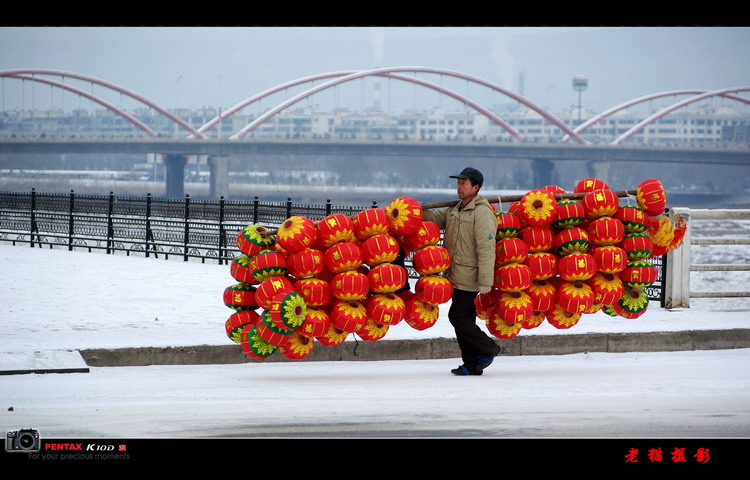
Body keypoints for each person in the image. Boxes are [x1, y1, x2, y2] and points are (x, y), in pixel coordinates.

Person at [422, 167, 500, 376]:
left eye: (464, 183)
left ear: (475, 187)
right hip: (454, 274)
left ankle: (489, 348)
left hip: (470, 276)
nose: (459, 187)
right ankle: (472, 364)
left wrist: (485, 280)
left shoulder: (482, 212)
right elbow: (434, 219)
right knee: (463, 319)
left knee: (458, 317)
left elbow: (486, 247)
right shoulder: (454, 209)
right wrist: (417, 210)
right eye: (458, 183)